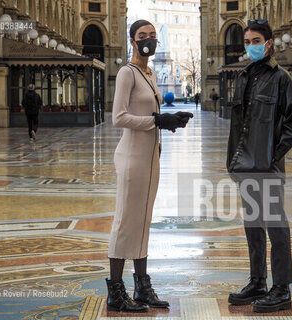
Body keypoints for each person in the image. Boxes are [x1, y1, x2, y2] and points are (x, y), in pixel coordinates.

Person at [106, 19, 193, 313]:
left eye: (153, 36)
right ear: (132, 40)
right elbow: (118, 117)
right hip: (132, 157)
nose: (149, 41)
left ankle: (142, 286)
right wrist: (156, 121)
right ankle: (116, 292)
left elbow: (150, 112)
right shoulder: (127, 73)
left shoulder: (151, 73)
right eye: (143, 36)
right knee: (125, 221)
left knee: (143, 220)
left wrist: (170, 120)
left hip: (151, 156)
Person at [226, 20, 292, 313]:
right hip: (245, 165)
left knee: (275, 226)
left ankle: (281, 289)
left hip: (267, 167)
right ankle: (257, 281)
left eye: (256, 40)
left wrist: (273, 156)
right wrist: (234, 159)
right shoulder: (244, 76)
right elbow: (239, 124)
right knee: (253, 226)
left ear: (269, 42)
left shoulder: (281, 79)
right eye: (247, 42)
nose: (251, 46)